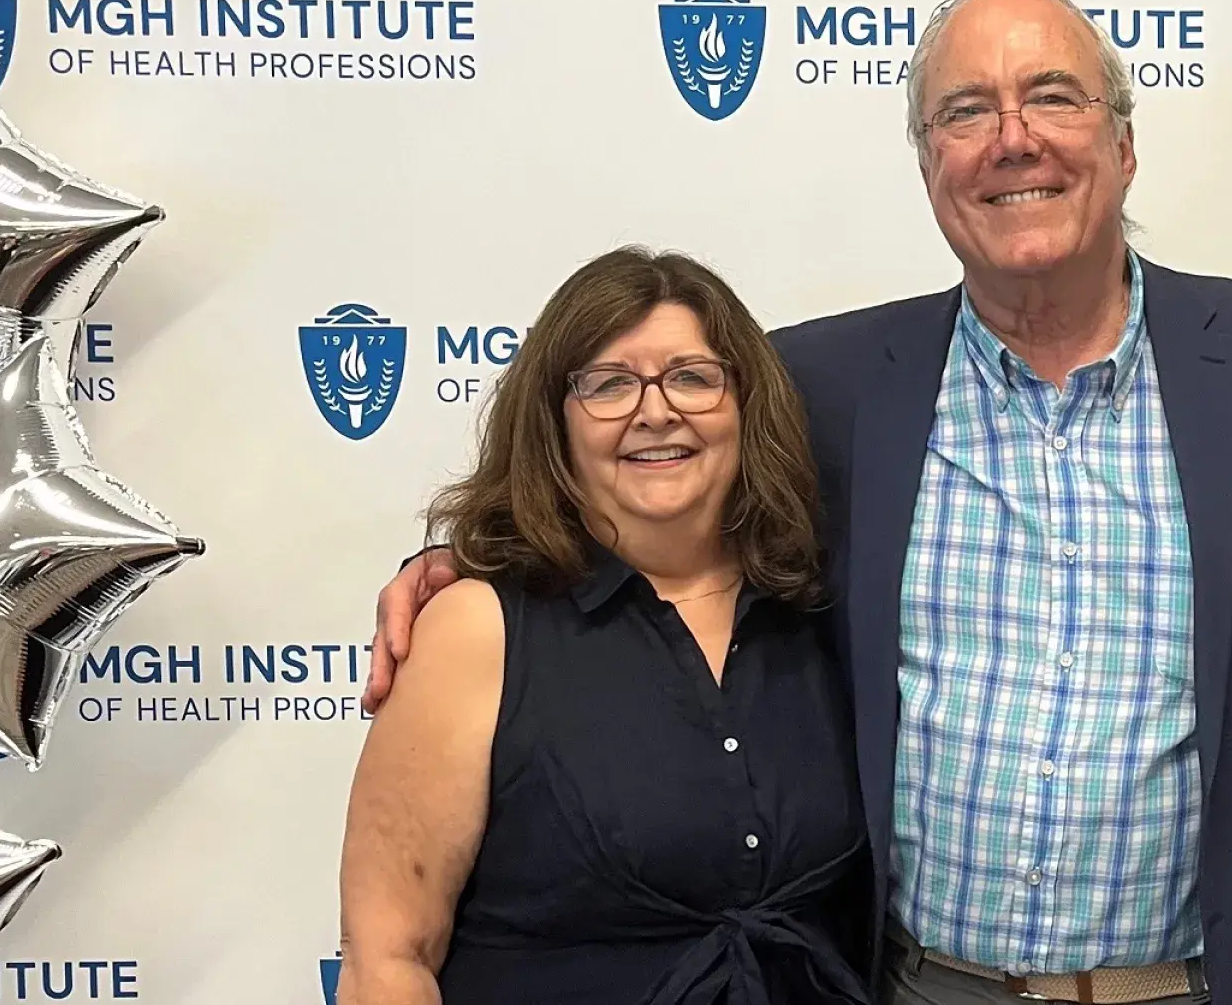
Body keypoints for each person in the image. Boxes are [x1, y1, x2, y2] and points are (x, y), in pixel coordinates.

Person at [365, 0, 1232, 1005]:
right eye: (965, 112)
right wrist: (465, 576)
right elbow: (643, 492)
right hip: (914, 986)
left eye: (1053, 99)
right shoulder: (819, 388)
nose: (1012, 138)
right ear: (929, 168)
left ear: (1125, 146)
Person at [337, 248, 870, 1005]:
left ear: (747, 406)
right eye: (609, 384)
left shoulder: (820, 606)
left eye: (693, 377)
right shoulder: (477, 629)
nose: (655, 412)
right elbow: (388, 958)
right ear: (554, 422)